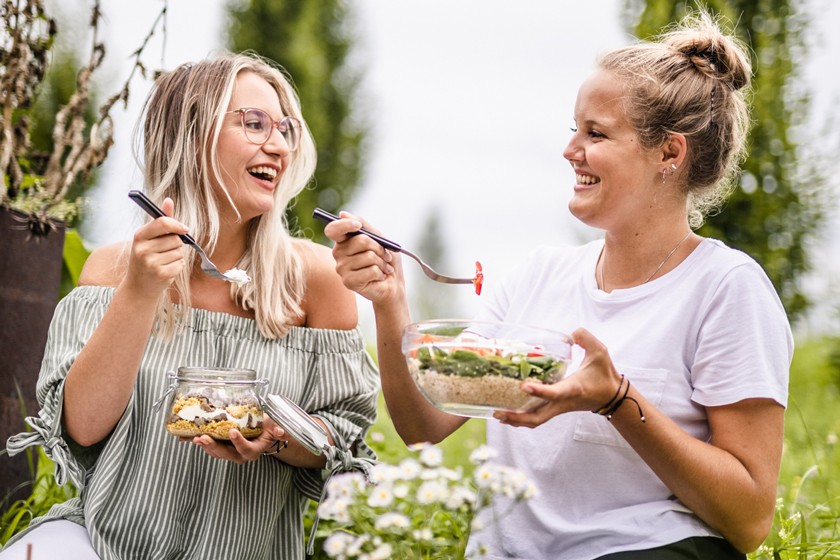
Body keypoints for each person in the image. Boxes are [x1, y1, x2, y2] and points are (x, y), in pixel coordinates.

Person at [323, 10, 791, 560]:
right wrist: (389, 299)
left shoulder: (726, 289)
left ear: (669, 152)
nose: (571, 151)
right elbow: (424, 424)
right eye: (575, 130)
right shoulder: (537, 277)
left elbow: (749, 518)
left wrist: (617, 400)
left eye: (596, 133)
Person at [1, 52, 379, 560]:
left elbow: (344, 441)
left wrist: (273, 437)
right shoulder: (113, 270)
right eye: (255, 123)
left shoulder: (315, 280)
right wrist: (139, 292)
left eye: (285, 129)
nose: (278, 145)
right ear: (192, 136)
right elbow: (83, 429)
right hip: (103, 544)